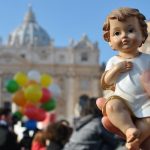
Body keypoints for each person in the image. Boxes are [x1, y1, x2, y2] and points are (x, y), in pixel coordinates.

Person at [100, 7, 150, 150]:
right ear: (109, 41)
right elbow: (106, 82)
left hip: (146, 103)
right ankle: (129, 129)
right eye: (117, 33)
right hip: (123, 102)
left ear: (143, 35)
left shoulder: (148, 59)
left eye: (130, 30)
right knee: (110, 106)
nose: (124, 36)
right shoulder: (114, 61)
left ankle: (134, 139)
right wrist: (116, 69)